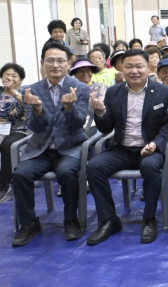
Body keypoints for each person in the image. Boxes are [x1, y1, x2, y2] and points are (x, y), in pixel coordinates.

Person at [86, 49, 168, 245]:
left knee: (151, 167)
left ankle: (149, 219)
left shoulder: (163, 92)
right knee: (94, 167)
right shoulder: (113, 92)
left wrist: (156, 144)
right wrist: (100, 113)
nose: (134, 71)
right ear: (121, 69)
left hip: (150, 148)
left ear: (148, 68)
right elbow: (106, 128)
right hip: (122, 149)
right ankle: (109, 220)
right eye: (129, 66)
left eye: (139, 66)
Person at [11, 43, 90, 246]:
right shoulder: (31, 90)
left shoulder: (80, 88)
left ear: (69, 63)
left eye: (60, 60)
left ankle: (70, 219)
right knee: (20, 174)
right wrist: (37, 109)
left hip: (70, 148)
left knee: (66, 172)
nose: (55, 65)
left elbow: (78, 124)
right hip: (40, 149)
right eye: (50, 60)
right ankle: (29, 222)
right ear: (42, 63)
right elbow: (34, 127)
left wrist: (69, 108)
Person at [0, 63, 28, 202]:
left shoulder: (25, 93)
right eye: (6, 75)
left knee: (8, 144)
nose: (9, 78)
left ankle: (5, 184)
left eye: (14, 76)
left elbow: (27, 106)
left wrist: (12, 91)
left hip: (19, 130)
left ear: (20, 80)